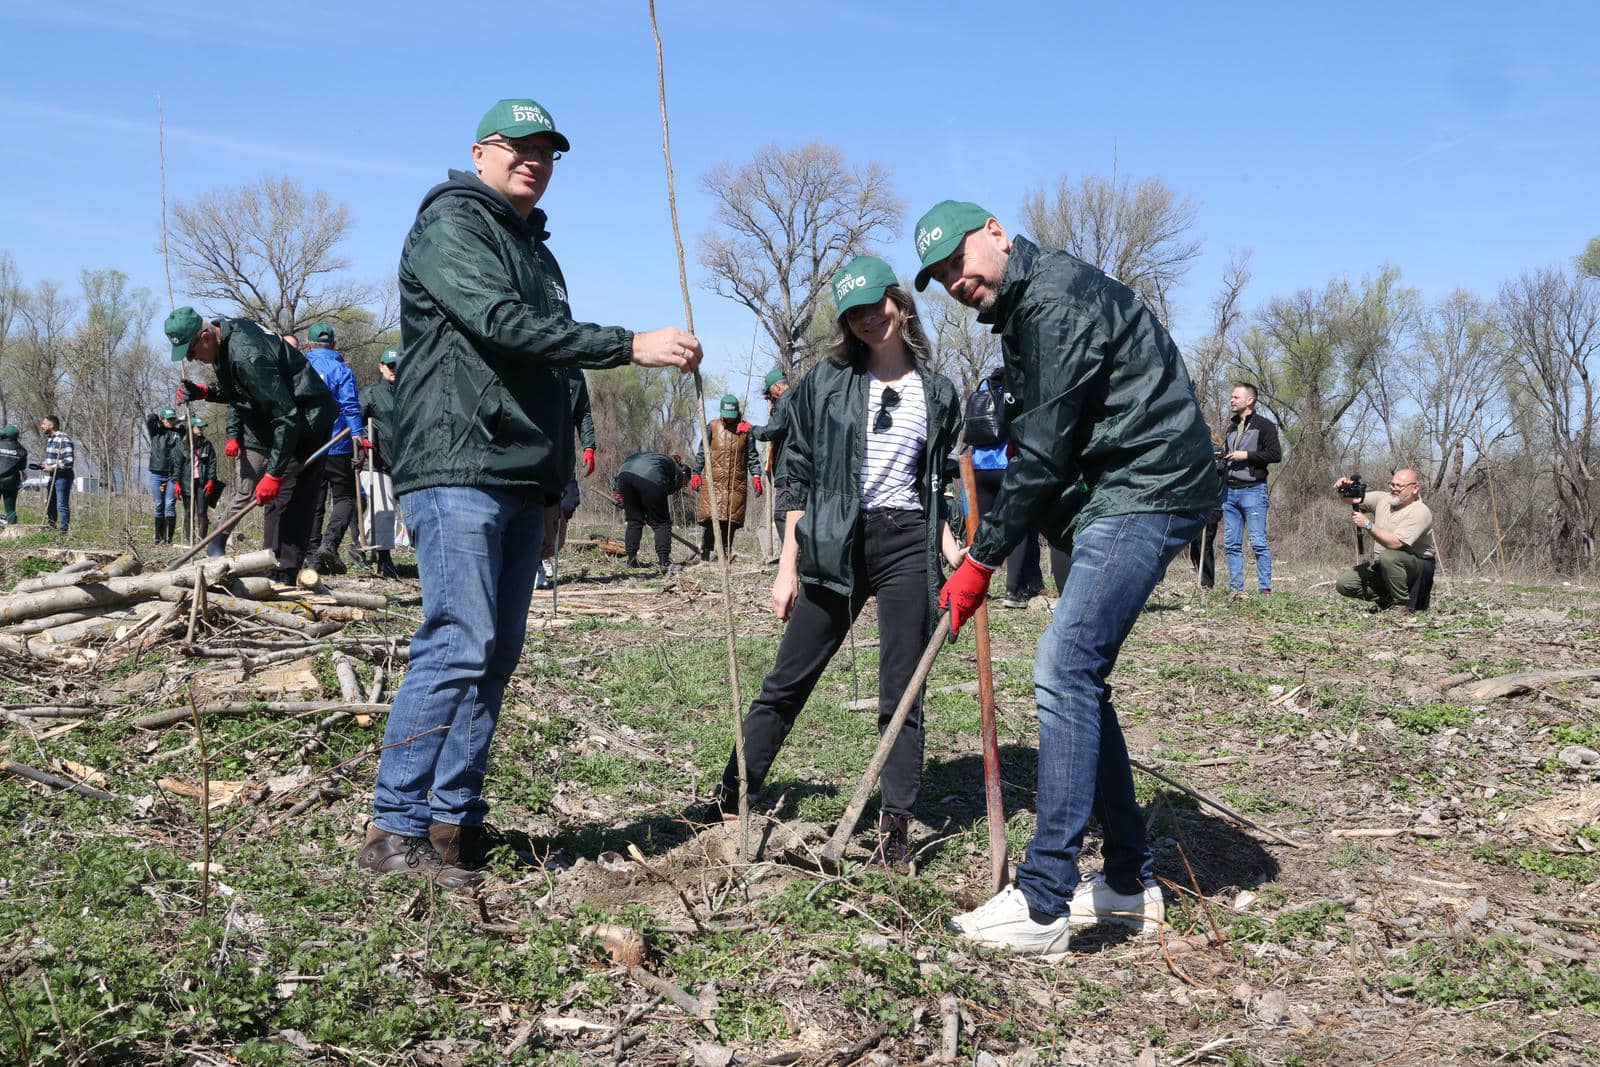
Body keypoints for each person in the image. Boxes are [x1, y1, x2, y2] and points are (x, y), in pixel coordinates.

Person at [362, 97, 701, 887]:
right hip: (458, 465)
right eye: (518, 147)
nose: (533, 160)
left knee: (496, 651)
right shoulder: (453, 224)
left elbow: (551, 377)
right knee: (458, 637)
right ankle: (393, 828)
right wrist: (629, 345)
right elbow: (501, 324)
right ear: (480, 152)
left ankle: (453, 822)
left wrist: (555, 489)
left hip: (519, 476)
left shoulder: (538, 252)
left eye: (546, 151)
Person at [914, 201, 1221, 952]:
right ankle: (1126, 883)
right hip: (1121, 490)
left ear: (996, 231)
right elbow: (1040, 448)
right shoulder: (1025, 312)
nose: (956, 281)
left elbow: (1046, 457)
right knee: (1081, 673)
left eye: (960, 260)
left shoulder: (1051, 301)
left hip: (1150, 484)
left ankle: (1045, 899)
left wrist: (982, 558)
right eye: (942, 276)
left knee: (1061, 662)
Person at [702, 254, 962, 870]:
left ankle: (895, 826)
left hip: (907, 544)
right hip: (834, 541)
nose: (871, 319)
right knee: (788, 679)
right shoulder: (825, 382)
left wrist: (948, 545)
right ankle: (732, 794)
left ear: (898, 301)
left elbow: (937, 483)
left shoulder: (938, 390)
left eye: (878, 304)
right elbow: (797, 472)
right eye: (855, 314)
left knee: (902, 691)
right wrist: (787, 564)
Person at [164, 308, 338, 583]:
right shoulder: (226, 339)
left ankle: (283, 576)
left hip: (307, 421)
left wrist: (272, 473)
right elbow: (240, 391)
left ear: (206, 337)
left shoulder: (247, 355)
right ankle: (271, 565)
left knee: (291, 497)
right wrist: (204, 391)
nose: (191, 358)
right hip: (287, 421)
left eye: (191, 351)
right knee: (276, 500)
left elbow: (287, 416)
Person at [965, 367, 1044, 609]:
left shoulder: (983, 390)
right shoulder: (1017, 391)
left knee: (978, 530)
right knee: (1018, 528)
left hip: (977, 467)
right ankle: (1013, 591)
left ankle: (973, 589)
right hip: (1007, 465)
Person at [303, 323, 366, 576]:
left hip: (309, 445)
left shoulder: (299, 369)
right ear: (334, 345)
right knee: (346, 497)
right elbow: (351, 406)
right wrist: (358, 436)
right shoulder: (343, 371)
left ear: (308, 344)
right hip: (339, 443)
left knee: (313, 501)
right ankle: (330, 543)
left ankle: (313, 556)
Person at [1334, 470, 1434, 612]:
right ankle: (1388, 600)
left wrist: (1368, 525)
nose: (1393, 488)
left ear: (1415, 489)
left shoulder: (1420, 511)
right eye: (1392, 484)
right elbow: (1353, 499)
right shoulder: (1383, 499)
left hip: (1416, 567)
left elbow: (1395, 543)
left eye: (1399, 486)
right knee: (1345, 583)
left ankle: (1402, 604)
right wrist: (1344, 489)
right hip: (1385, 565)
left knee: (1388, 556)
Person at [1219, 383, 1281, 598]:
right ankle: (1237, 590)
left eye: (1236, 397)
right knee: (1231, 544)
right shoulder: (1231, 427)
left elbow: (1275, 455)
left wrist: (1245, 455)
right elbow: (1229, 453)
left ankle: (1265, 590)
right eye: (1231, 397)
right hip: (1229, 492)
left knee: (1258, 542)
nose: (1232, 400)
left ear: (1250, 400)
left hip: (1253, 491)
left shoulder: (1264, 426)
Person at [536, 368, 594, 590]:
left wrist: (589, 446)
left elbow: (584, 412)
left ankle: (545, 551)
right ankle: (536, 563)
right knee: (535, 511)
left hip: (563, 457)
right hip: (535, 454)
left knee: (569, 502)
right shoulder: (537, 360)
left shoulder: (575, 373)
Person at [691, 395, 761, 561]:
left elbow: (752, 456)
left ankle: (725, 554)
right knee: (711, 519)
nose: (729, 420)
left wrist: (756, 475)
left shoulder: (746, 430)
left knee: (731, 521)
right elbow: (702, 452)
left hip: (736, 484)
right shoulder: (712, 427)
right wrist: (695, 472)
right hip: (713, 482)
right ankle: (706, 553)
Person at [355, 348, 402, 579]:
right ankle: (384, 558)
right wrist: (363, 438)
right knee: (384, 509)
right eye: (389, 366)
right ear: (381, 367)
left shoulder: (410, 391)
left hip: (404, 462)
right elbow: (355, 418)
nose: (393, 370)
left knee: (387, 510)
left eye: (396, 365)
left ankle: (363, 547)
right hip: (377, 461)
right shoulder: (371, 393)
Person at [613, 450, 691, 573]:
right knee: (662, 523)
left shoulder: (654, 458)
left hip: (624, 475)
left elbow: (626, 468)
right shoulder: (677, 469)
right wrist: (653, 514)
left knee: (634, 520)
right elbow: (669, 488)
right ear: (684, 474)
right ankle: (665, 562)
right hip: (650, 476)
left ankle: (631, 559)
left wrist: (618, 493)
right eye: (685, 484)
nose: (683, 487)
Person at [751, 368, 792, 551]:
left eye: (770, 393)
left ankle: (793, 560)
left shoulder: (785, 401)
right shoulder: (800, 399)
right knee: (795, 514)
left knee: (782, 515)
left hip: (788, 468)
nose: (771, 397)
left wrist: (752, 430)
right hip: (797, 467)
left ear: (777, 386)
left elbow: (773, 430)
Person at [144, 407, 184, 544]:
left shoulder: (178, 433)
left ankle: (168, 539)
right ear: (162, 419)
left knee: (169, 505)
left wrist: (179, 421)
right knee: (159, 504)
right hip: (157, 473)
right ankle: (158, 538)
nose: (172, 421)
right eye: (169, 419)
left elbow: (191, 423)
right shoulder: (156, 432)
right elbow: (150, 418)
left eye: (173, 418)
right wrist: (160, 420)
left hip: (172, 475)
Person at [180, 416, 220, 541]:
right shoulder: (182, 444)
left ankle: (202, 540)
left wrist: (211, 480)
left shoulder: (207, 444)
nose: (201, 430)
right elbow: (176, 464)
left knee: (202, 512)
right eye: (198, 427)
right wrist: (176, 482)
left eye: (202, 428)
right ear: (190, 428)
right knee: (188, 512)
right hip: (187, 482)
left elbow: (212, 463)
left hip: (202, 483)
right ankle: (189, 539)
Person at [38, 415, 74, 535]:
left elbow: (68, 460)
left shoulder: (63, 439)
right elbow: (53, 460)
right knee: (50, 503)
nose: (42, 426)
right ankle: (51, 528)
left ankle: (63, 532)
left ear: (51, 425)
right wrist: (44, 465)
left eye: (44, 424)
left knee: (61, 504)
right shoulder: (50, 439)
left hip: (63, 476)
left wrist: (52, 467)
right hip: (53, 476)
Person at [0, 426, 27, 525]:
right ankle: (12, 532)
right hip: (12, 483)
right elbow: (22, 467)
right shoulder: (22, 450)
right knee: (11, 509)